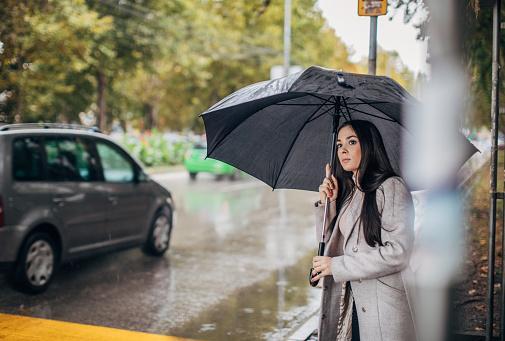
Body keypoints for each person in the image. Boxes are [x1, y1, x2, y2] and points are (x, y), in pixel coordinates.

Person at [311, 120, 416, 341]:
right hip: (353, 304)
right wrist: (327, 203)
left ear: (368, 146)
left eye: (351, 142)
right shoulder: (351, 192)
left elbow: (398, 252)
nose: (343, 150)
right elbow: (332, 247)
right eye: (339, 145)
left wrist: (337, 265)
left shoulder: (391, 187)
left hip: (383, 306)